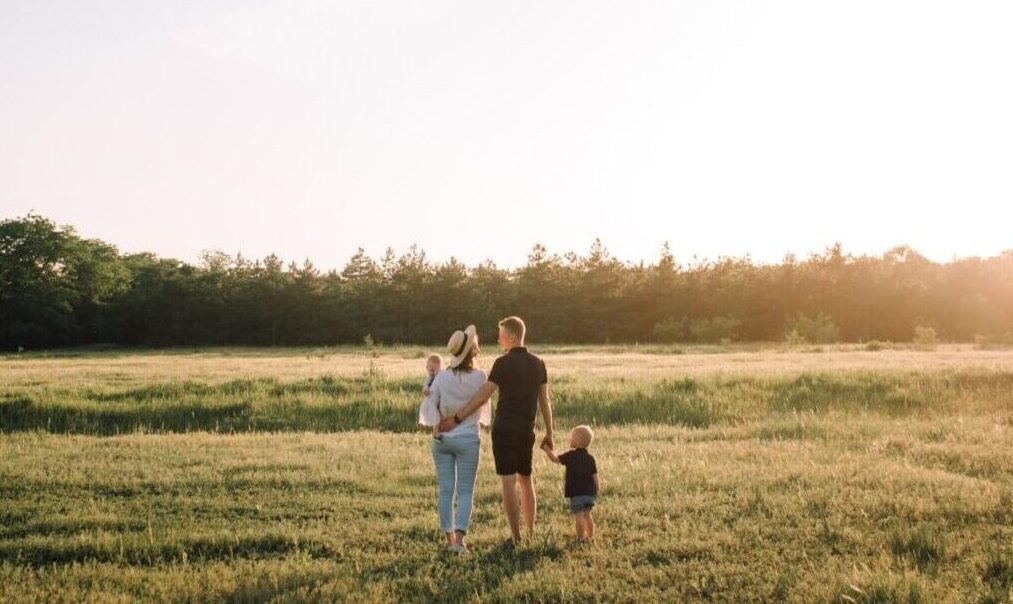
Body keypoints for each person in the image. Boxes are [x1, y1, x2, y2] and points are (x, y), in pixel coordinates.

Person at [439, 316, 554, 546]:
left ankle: (516, 537)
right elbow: (545, 401)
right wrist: (550, 432)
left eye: (501, 333)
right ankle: (531, 533)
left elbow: (484, 395)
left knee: (508, 482)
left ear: (511, 336)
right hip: (526, 430)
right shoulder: (539, 363)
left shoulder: (502, 363)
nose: (498, 337)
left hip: (504, 430)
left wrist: (458, 417)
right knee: (526, 479)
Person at [419, 325, 491, 553]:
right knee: (466, 491)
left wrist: (436, 429)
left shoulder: (440, 378)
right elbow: (485, 408)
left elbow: (431, 407)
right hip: (468, 439)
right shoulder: (480, 377)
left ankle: (449, 540)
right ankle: (460, 542)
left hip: (442, 440)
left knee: (445, 490)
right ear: (473, 350)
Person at [541, 425, 599, 543]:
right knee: (587, 515)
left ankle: (580, 538)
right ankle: (590, 536)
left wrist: (546, 448)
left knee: (579, 516)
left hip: (576, 493)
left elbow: (555, 459)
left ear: (577, 442)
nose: (570, 439)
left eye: (572, 437)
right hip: (589, 493)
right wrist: (597, 489)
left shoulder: (570, 456)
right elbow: (595, 476)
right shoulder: (590, 458)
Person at [420, 353, 443, 439]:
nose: (433, 372)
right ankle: (435, 434)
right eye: (431, 370)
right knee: (436, 420)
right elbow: (424, 389)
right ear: (427, 368)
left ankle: (441, 432)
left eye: (436, 370)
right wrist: (425, 391)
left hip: (440, 401)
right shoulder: (428, 380)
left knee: (441, 418)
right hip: (432, 403)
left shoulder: (441, 377)